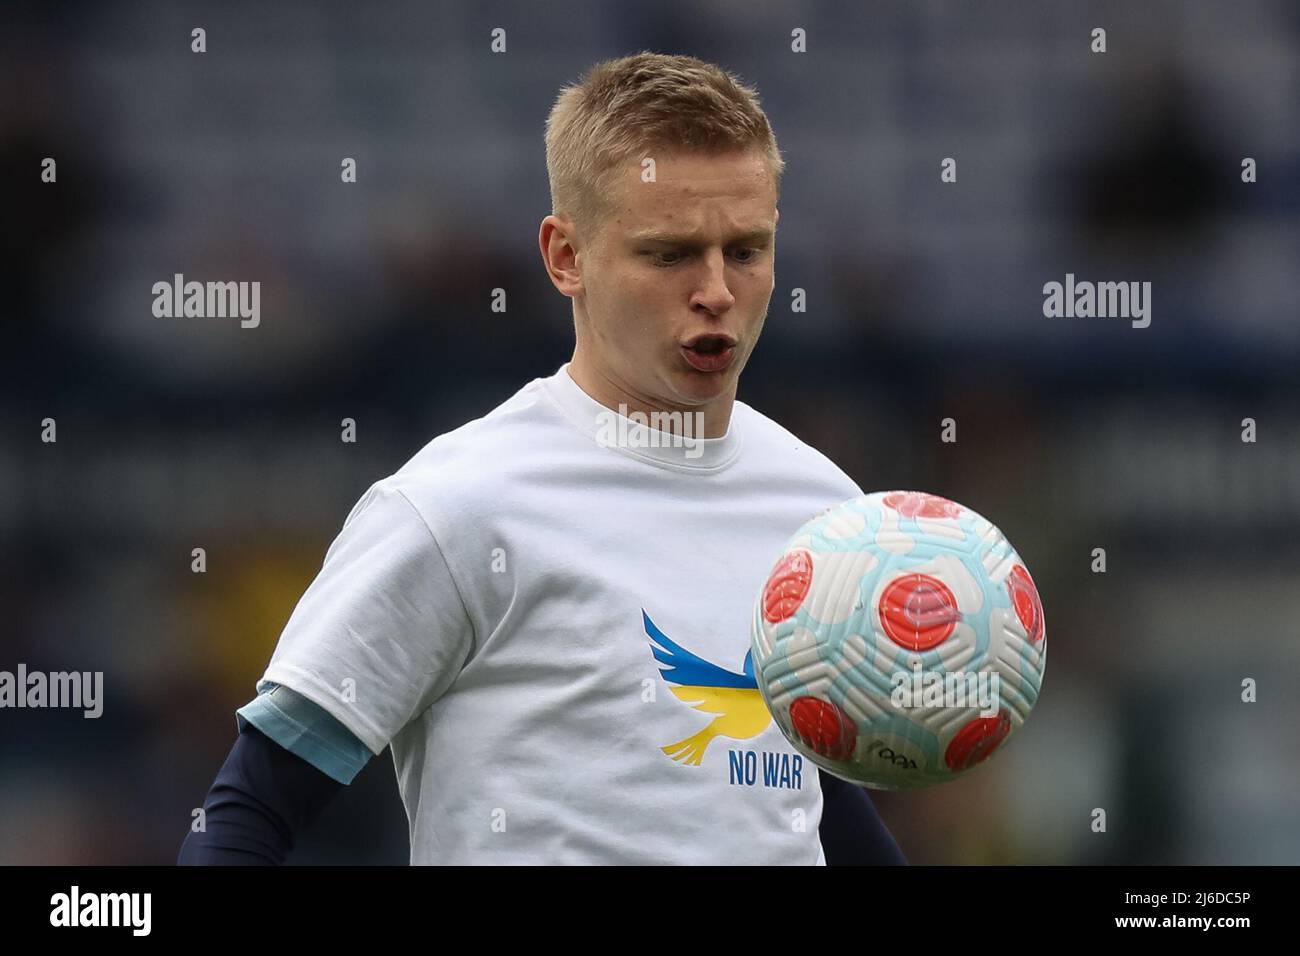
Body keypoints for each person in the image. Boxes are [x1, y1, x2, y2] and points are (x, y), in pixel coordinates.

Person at [179, 51, 905, 866]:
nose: (716, 290)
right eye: (668, 254)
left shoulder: (826, 511)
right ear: (566, 258)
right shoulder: (459, 506)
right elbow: (249, 810)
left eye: (746, 249)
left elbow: (806, 807)